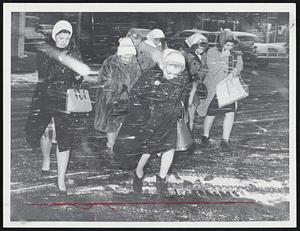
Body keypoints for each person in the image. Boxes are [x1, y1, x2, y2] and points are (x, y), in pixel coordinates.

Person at [114, 49, 190, 196]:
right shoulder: (151, 75)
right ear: (163, 66)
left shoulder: (183, 76)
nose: (173, 77)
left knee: (170, 148)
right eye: (170, 73)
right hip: (150, 118)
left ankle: (161, 179)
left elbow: (181, 96)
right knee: (148, 149)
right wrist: (142, 115)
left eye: (176, 74)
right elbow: (136, 95)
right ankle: (138, 172)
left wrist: (180, 112)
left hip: (170, 118)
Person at [25, 20, 84, 193]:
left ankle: (61, 179)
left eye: (67, 37)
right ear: (55, 36)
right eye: (61, 37)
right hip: (46, 97)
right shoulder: (45, 51)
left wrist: (79, 76)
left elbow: (77, 75)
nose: (64, 41)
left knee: (64, 138)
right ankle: (45, 160)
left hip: (66, 100)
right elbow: (45, 75)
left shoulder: (74, 51)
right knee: (47, 132)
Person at [94, 37, 142, 157]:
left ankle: (117, 147)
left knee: (122, 124)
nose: (127, 60)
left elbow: (139, 80)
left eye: (130, 57)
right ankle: (110, 146)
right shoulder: (109, 62)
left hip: (127, 99)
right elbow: (102, 81)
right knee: (111, 126)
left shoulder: (134, 64)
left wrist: (134, 91)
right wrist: (120, 86)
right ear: (119, 55)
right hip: (110, 99)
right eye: (125, 57)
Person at [197, 29, 243, 152]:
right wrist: (223, 58)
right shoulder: (212, 51)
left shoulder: (236, 53)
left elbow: (239, 66)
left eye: (232, 45)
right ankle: (205, 136)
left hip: (228, 88)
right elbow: (212, 68)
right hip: (215, 87)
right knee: (211, 113)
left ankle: (225, 140)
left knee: (230, 113)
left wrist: (233, 73)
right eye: (227, 45)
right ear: (222, 43)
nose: (230, 47)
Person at [181, 33, 209, 131]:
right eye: (198, 48)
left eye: (202, 49)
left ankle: (189, 133)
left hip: (195, 86)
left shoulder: (204, 56)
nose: (200, 50)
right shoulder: (184, 55)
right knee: (182, 112)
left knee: (191, 112)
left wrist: (199, 76)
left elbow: (205, 69)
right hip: (184, 87)